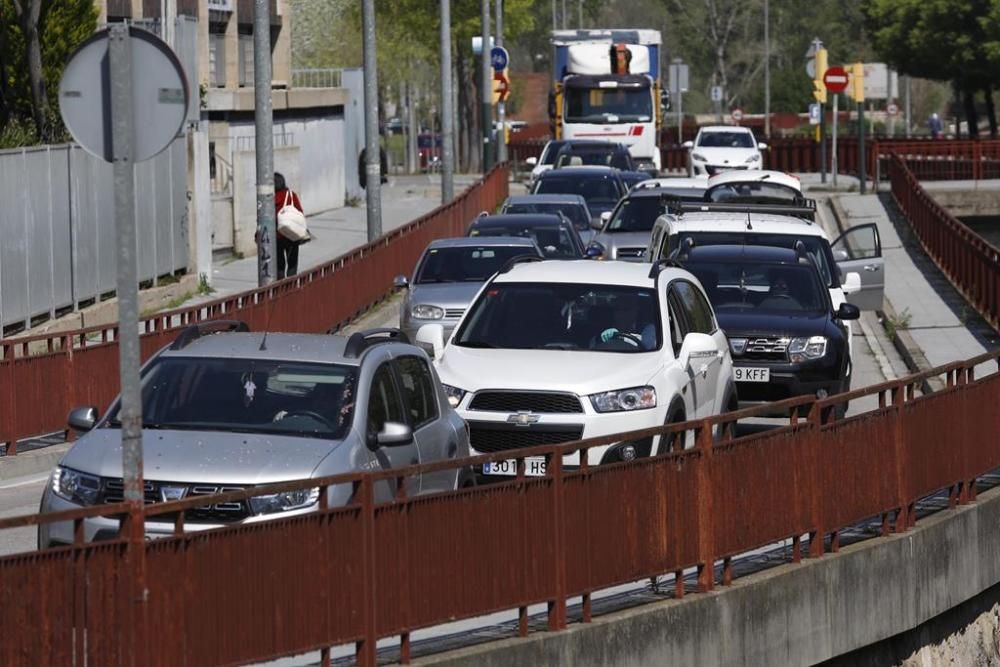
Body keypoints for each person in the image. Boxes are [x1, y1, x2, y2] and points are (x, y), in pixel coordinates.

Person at [274, 172, 304, 279]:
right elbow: (299, 212)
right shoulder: (291, 195)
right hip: (292, 234)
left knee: (279, 266)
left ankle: (280, 287)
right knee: (292, 264)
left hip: (277, 236)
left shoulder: (269, 199)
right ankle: (291, 285)